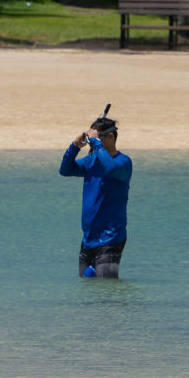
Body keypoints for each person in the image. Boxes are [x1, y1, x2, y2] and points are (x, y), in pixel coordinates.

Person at [59, 104, 132, 278]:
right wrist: (74, 147)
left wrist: (97, 144)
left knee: (107, 293)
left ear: (111, 136)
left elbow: (110, 168)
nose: (93, 142)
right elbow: (65, 170)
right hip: (88, 240)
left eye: (97, 138)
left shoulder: (123, 162)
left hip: (110, 240)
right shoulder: (92, 160)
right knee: (88, 294)